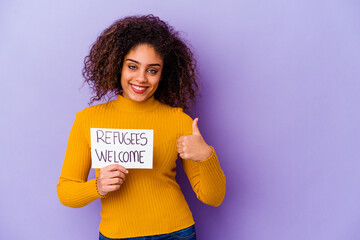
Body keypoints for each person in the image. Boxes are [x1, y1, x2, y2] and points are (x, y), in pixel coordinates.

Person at [57, 15, 226, 240]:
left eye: (152, 70)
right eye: (132, 67)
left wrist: (206, 155)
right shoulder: (88, 120)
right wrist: (97, 187)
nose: (141, 78)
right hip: (117, 235)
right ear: (117, 66)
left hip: (175, 233)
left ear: (163, 74)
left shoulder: (179, 120)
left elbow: (213, 198)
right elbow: (65, 191)